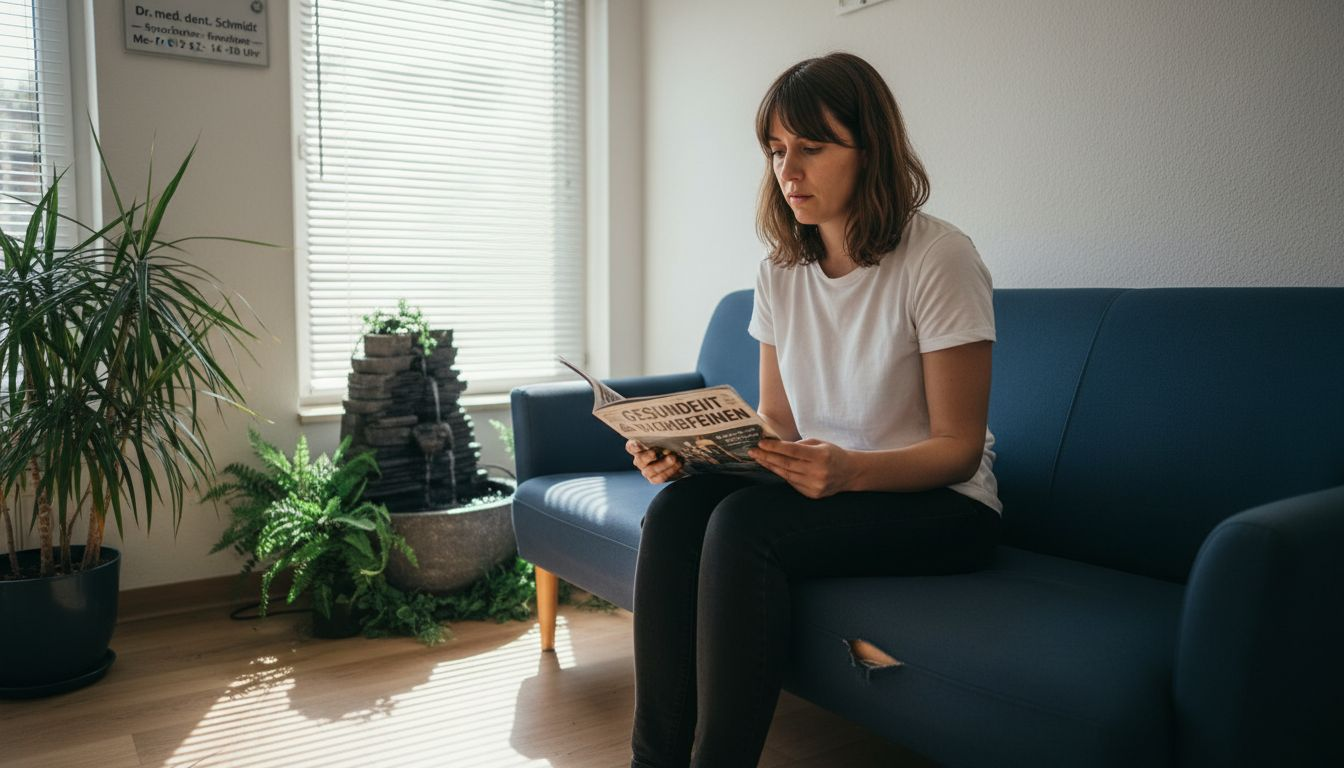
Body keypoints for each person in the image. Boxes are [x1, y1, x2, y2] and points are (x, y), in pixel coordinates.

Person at [625, 51, 1002, 768]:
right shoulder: (780, 271)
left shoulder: (940, 258)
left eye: (812, 147)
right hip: (830, 482)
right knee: (677, 507)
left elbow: (958, 446)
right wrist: (696, 451)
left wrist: (851, 471)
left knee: (744, 524)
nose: (787, 170)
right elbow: (780, 425)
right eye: (775, 150)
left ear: (871, 151)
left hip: (944, 504)